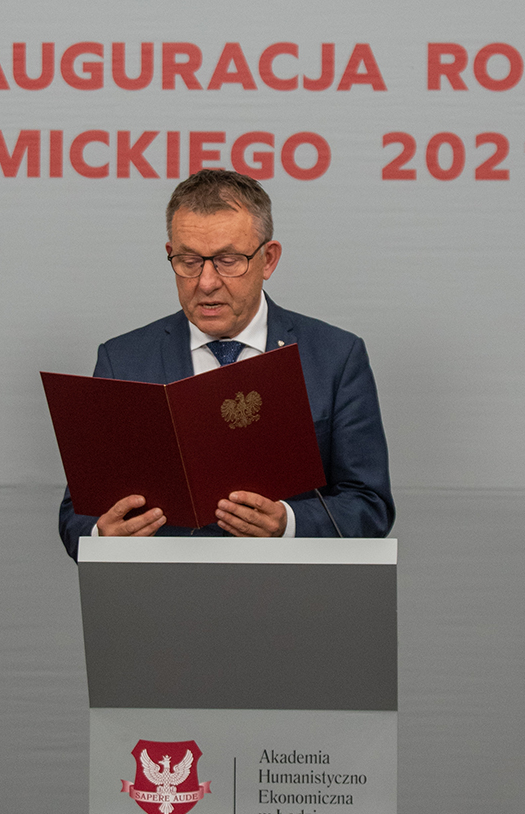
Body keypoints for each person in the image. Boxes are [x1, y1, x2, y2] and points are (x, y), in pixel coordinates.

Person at [57, 169, 394, 558]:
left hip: (288, 589)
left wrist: (288, 525)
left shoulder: (335, 357)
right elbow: (77, 516)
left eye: (228, 260)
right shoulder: (124, 361)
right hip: (165, 588)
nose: (206, 282)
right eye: (188, 260)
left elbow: (370, 506)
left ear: (268, 259)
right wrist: (102, 536)